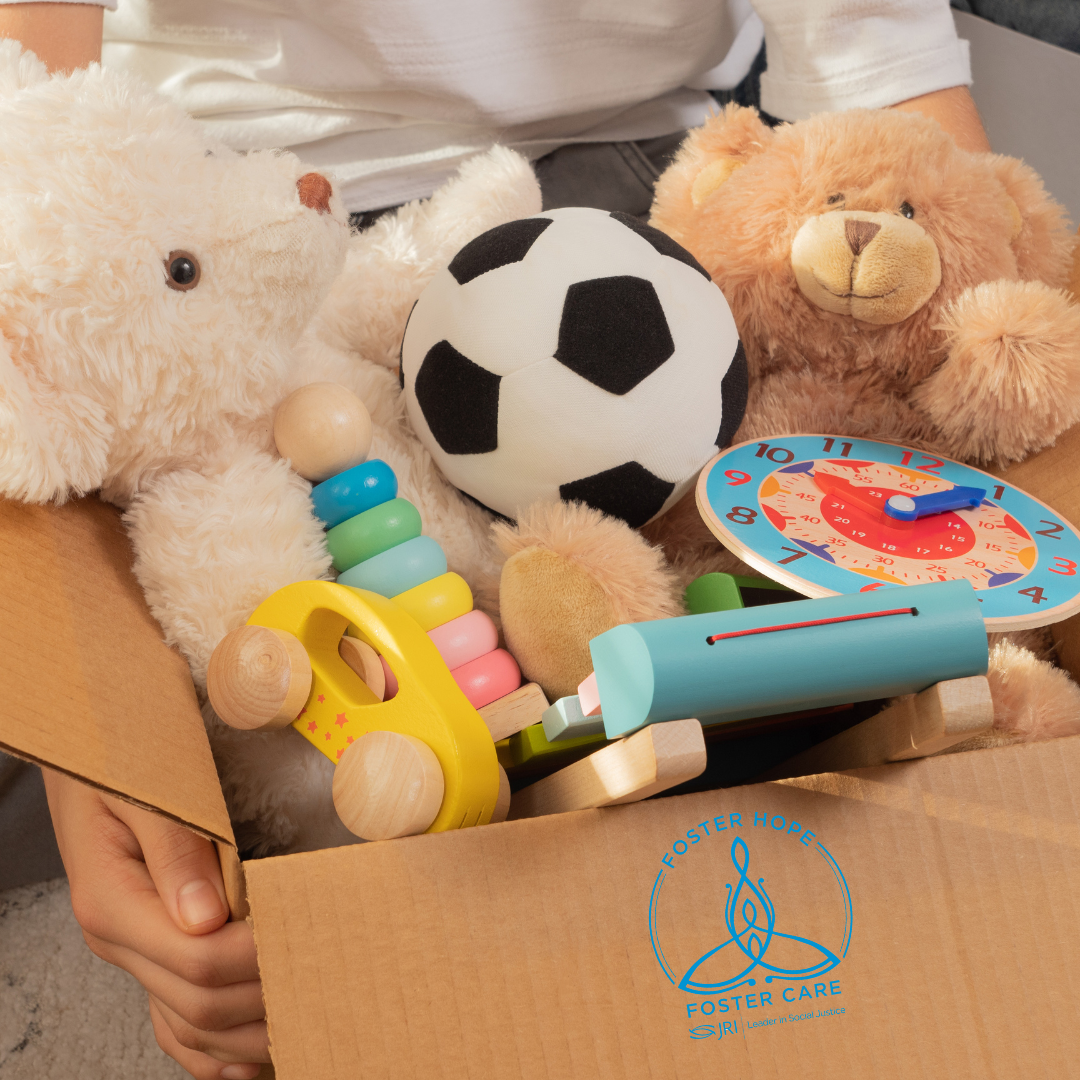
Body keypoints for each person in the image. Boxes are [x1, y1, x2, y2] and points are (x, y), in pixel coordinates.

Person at [0, 2, 990, 1077]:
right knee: (301, 907)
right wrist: (84, 728)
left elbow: (898, 119)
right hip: (170, 214)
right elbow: (34, 176)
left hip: (639, 171)